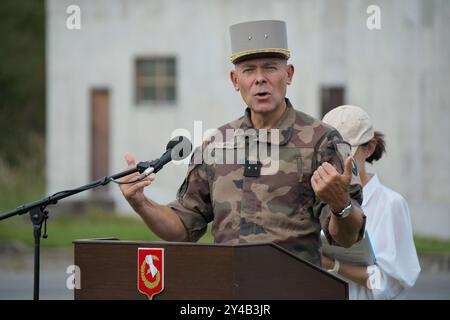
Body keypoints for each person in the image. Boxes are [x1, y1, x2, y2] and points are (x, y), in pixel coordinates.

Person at [119, 20, 366, 266]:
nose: (260, 79)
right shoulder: (214, 146)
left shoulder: (322, 142)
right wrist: (141, 202)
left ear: (288, 74)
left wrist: (340, 204)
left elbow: (347, 238)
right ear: (235, 80)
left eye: (270, 68)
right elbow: (183, 228)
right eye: (248, 70)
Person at [321, 105, 421, 299]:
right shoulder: (318, 198)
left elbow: (387, 283)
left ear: (369, 149)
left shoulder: (391, 204)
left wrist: (332, 264)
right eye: (329, 152)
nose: (336, 161)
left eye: (345, 152)